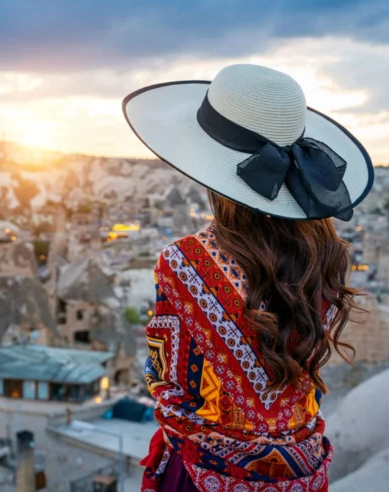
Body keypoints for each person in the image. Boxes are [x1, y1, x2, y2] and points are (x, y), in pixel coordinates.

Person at [122, 64, 374, 491]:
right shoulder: (328, 257)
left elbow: (169, 382)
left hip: (207, 475)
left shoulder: (184, 263)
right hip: (301, 472)